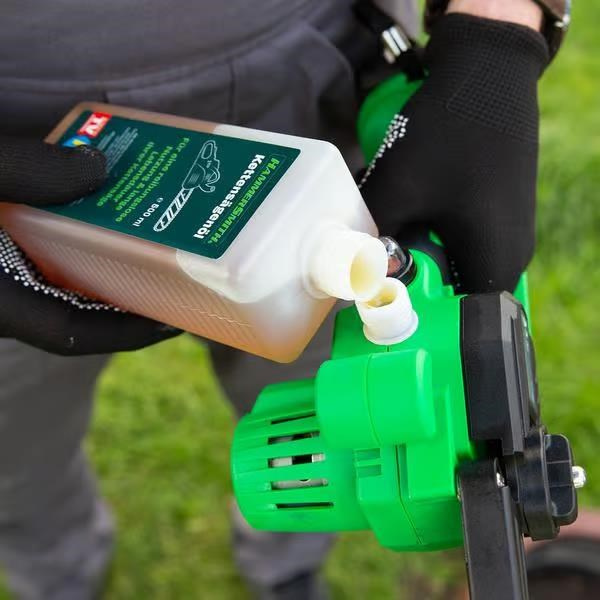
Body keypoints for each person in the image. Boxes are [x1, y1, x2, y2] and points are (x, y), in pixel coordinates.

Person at [0, 0, 577, 598]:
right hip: (19, 129)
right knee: (15, 449)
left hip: (317, 62)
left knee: (322, 409)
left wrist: (496, 43)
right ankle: (56, 575)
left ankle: (284, 568)